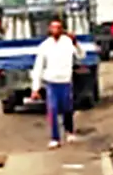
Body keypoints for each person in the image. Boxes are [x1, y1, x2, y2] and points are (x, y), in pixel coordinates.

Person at [29, 19, 82, 149]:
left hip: (65, 81)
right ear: (50, 30)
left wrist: (76, 43)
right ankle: (55, 138)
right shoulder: (45, 46)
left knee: (67, 109)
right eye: (53, 28)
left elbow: (81, 55)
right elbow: (38, 67)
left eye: (58, 27)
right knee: (52, 109)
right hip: (51, 82)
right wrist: (35, 88)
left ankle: (69, 131)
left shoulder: (68, 42)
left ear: (62, 29)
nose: (56, 30)